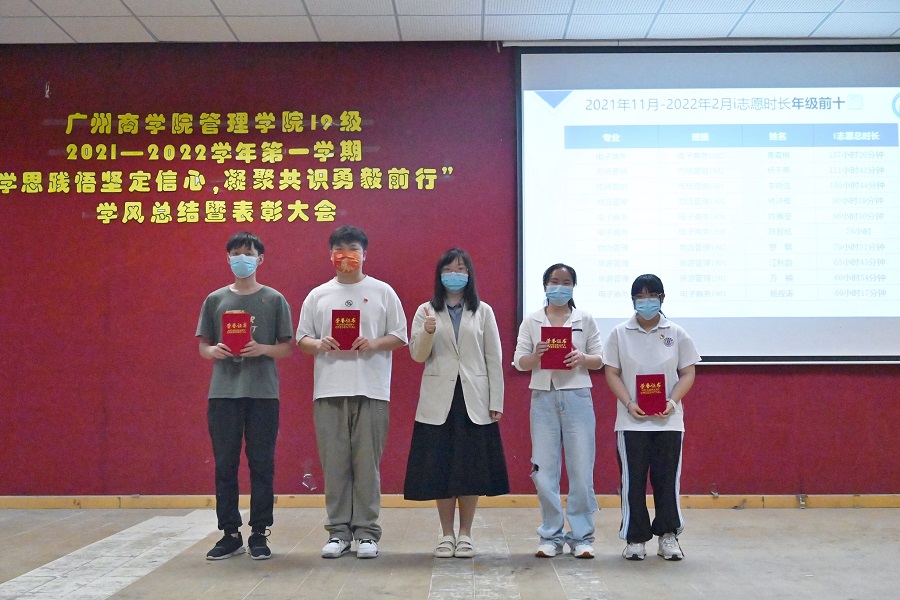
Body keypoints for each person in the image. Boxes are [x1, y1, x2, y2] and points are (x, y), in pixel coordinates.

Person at [296, 225, 407, 559]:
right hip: (329, 390)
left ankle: (367, 533)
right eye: (340, 250)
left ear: (364, 253)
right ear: (330, 254)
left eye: (353, 249)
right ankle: (338, 533)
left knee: (366, 465)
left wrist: (373, 343)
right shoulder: (318, 295)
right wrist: (319, 343)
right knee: (335, 465)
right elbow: (302, 339)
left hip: (371, 389)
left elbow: (400, 335)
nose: (346, 256)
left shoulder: (383, 291)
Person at [403, 248, 509, 559]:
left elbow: (494, 358)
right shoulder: (426, 310)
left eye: (461, 269)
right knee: (441, 468)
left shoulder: (483, 311)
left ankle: (466, 534)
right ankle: (446, 534)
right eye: (449, 269)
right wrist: (427, 332)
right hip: (439, 401)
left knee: (471, 468)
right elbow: (417, 355)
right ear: (440, 275)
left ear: (469, 275)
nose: (455, 274)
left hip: (474, 399)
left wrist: (496, 399)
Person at [196, 231, 294, 561]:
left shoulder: (274, 299)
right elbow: (203, 345)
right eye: (236, 254)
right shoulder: (215, 299)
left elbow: (286, 347)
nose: (242, 259)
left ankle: (259, 532)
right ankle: (230, 533)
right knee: (225, 463)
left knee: (262, 463)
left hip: (263, 393)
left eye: (248, 254)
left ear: (260, 259)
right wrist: (214, 350)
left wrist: (261, 348)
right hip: (223, 393)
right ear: (228, 259)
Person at [603, 274, 700, 561]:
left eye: (652, 296)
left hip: (669, 421)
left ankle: (668, 536)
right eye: (640, 296)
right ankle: (635, 538)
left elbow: (688, 372)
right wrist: (628, 402)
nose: (646, 301)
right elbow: (612, 372)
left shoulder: (676, 333)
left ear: (662, 298)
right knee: (632, 482)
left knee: (666, 480)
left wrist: (672, 401)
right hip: (630, 422)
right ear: (633, 300)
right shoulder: (619, 333)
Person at [513, 263, 604, 559]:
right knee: (544, 470)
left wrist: (582, 358)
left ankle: (581, 537)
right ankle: (551, 535)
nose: (560, 287)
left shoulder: (584, 319)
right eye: (554, 281)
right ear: (545, 286)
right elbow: (519, 362)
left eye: (566, 282)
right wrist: (535, 356)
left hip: (577, 396)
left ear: (573, 287)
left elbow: (600, 359)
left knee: (581, 469)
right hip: (543, 397)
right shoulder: (532, 321)